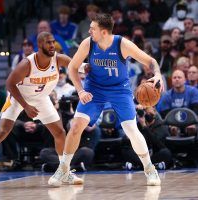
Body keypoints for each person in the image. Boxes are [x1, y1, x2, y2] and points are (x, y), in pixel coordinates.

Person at [48, 13, 163, 187]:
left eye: (92, 28)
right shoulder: (88, 43)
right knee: (76, 125)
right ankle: (63, 169)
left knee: (131, 129)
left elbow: (150, 61)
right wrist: (80, 91)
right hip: (94, 89)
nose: (89, 31)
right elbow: (72, 68)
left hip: (120, 90)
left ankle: (149, 169)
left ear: (103, 32)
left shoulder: (122, 44)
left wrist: (158, 74)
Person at [0, 32, 85, 186]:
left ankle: (64, 171)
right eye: (48, 43)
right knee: (2, 132)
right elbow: (10, 84)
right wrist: (26, 106)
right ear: (40, 45)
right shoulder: (27, 63)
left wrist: (88, 67)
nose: (52, 45)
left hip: (41, 98)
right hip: (17, 98)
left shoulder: (58, 59)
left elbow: (77, 66)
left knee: (60, 132)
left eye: (53, 42)